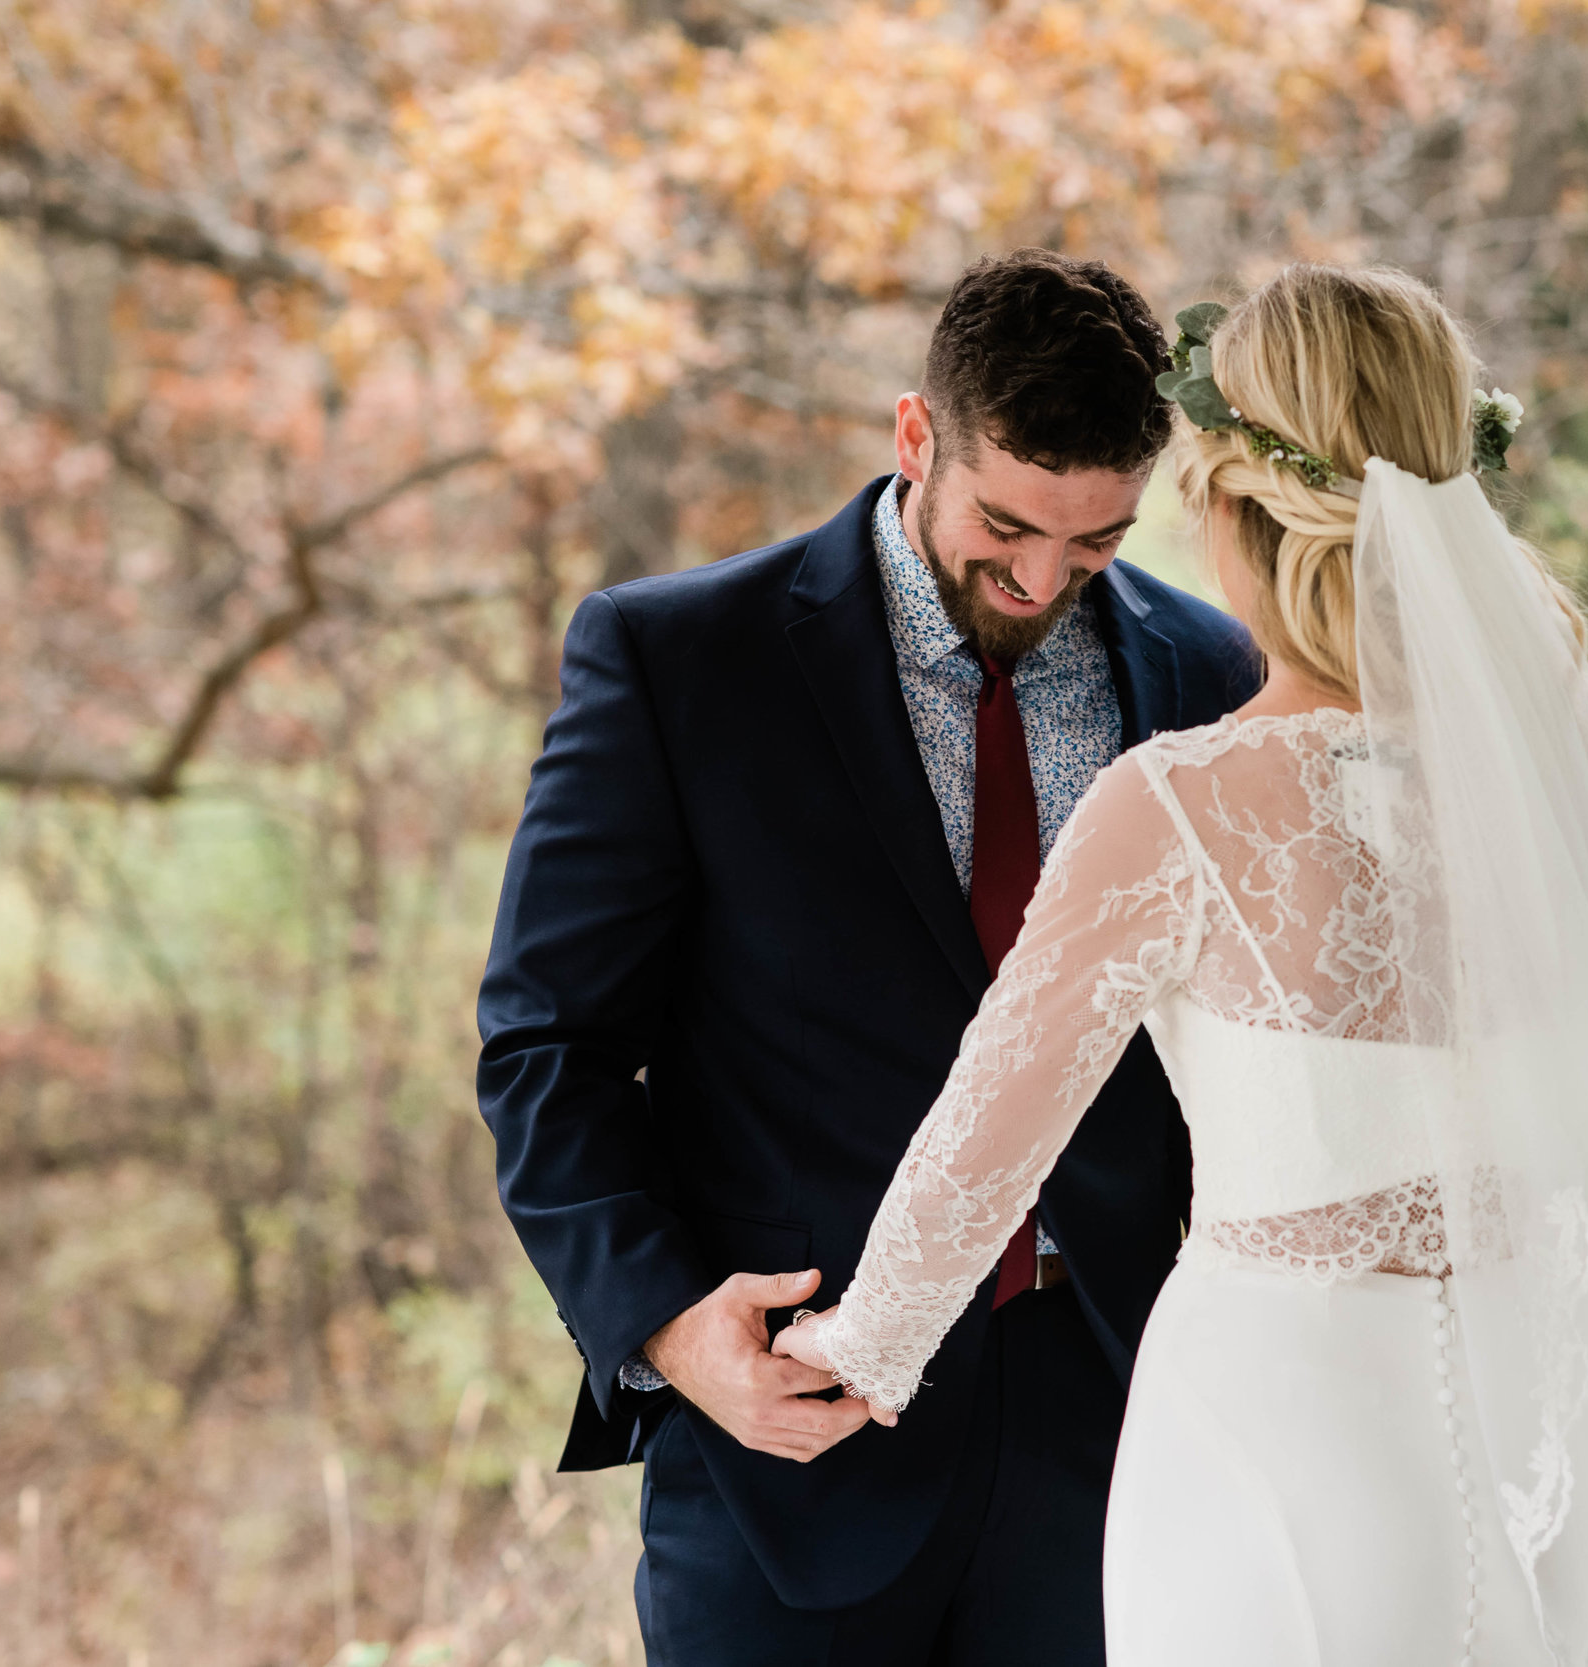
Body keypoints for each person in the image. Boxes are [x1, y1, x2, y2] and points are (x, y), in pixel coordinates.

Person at [777, 264, 1588, 1664]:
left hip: (1276, 1436)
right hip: (1547, 1443)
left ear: (1228, 507)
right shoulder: (1559, 788)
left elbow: (980, 1152)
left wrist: (842, 1354)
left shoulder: (1180, 807)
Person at [475, 250, 1260, 1665]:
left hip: (1121, 1432)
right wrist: (662, 1325)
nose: (1039, 581)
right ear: (917, 436)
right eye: (1007, 526)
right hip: (793, 1441)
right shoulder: (679, 659)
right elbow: (551, 1050)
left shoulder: (1214, 674)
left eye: (1096, 546)